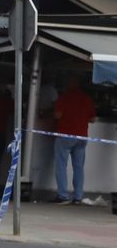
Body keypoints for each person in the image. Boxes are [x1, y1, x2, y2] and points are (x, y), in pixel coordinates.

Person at [49, 75, 97, 206]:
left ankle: (63, 195)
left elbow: (58, 115)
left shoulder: (64, 97)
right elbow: (93, 119)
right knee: (79, 167)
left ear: (69, 83)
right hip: (81, 136)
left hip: (65, 134)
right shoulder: (87, 98)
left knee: (61, 165)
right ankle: (78, 197)